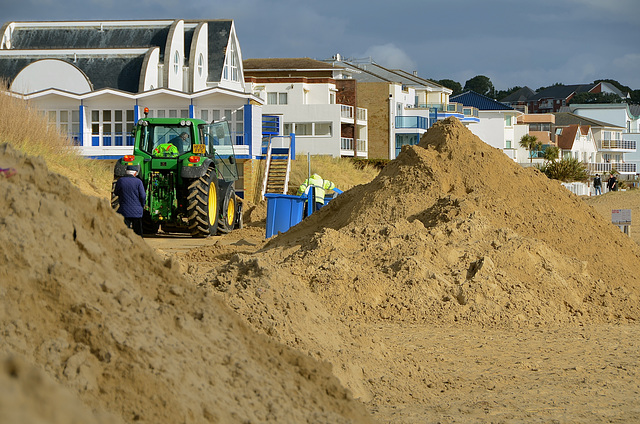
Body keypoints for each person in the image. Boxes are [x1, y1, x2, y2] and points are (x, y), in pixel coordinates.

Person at [114, 165, 146, 236]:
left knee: (125, 232)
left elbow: (116, 192)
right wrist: (142, 205)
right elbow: (143, 196)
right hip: (137, 212)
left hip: (124, 210)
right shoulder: (138, 182)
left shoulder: (120, 181)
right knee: (138, 233)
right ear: (135, 173)